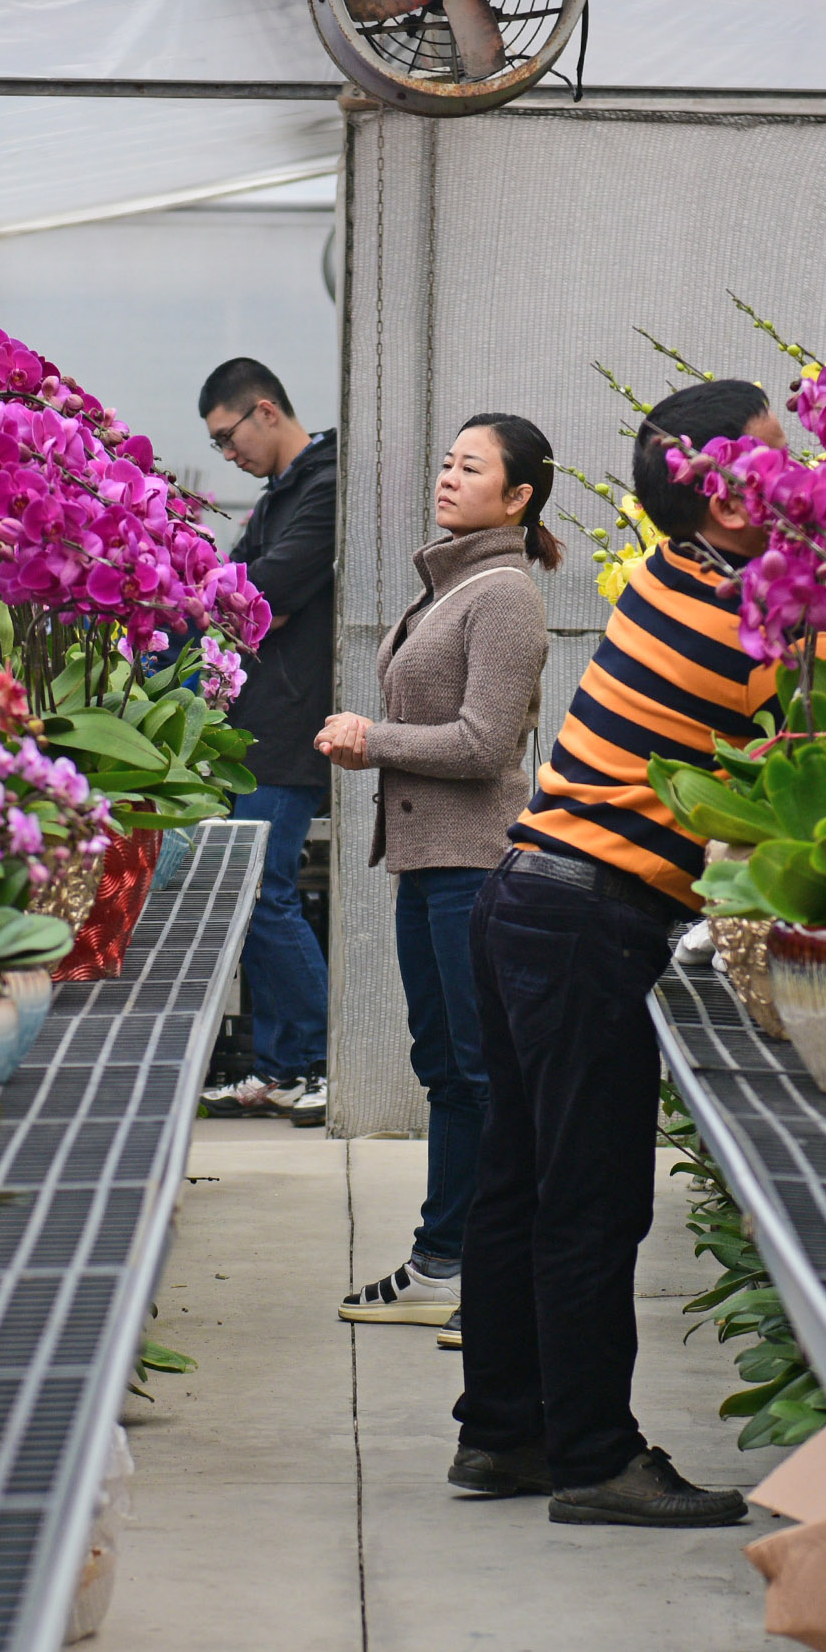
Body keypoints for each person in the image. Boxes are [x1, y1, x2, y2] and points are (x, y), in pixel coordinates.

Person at [454, 378, 787, 1528]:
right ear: (722, 493)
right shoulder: (746, 624)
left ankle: (504, 1432)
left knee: (519, 1181)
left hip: (525, 900)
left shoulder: (662, 576)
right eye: (773, 457)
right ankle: (595, 1455)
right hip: (590, 920)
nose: (798, 477)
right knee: (592, 1200)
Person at [315, 415, 555, 1332]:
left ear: (519, 494)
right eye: (446, 461)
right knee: (447, 1071)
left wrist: (373, 740)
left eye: (470, 466)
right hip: (427, 866)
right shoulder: (452, 583)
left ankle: (486, 1273)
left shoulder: (502, 594)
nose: (448, 477)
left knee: (482, 1073)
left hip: (476, 865)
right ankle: (442, 1262)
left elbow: (486, 744)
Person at [195, 357, 336, 1123]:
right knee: (251, 893)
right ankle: (281, 1065)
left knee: (262, 891)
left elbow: (262, 590)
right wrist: (246, 599)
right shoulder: (287, 491)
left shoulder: (327, 482)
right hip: (256, 723)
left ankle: (319, 1061)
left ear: (263, 410)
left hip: (289, 720)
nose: (226, 456)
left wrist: (252, 600)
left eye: (226, 437)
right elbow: (233, 588)